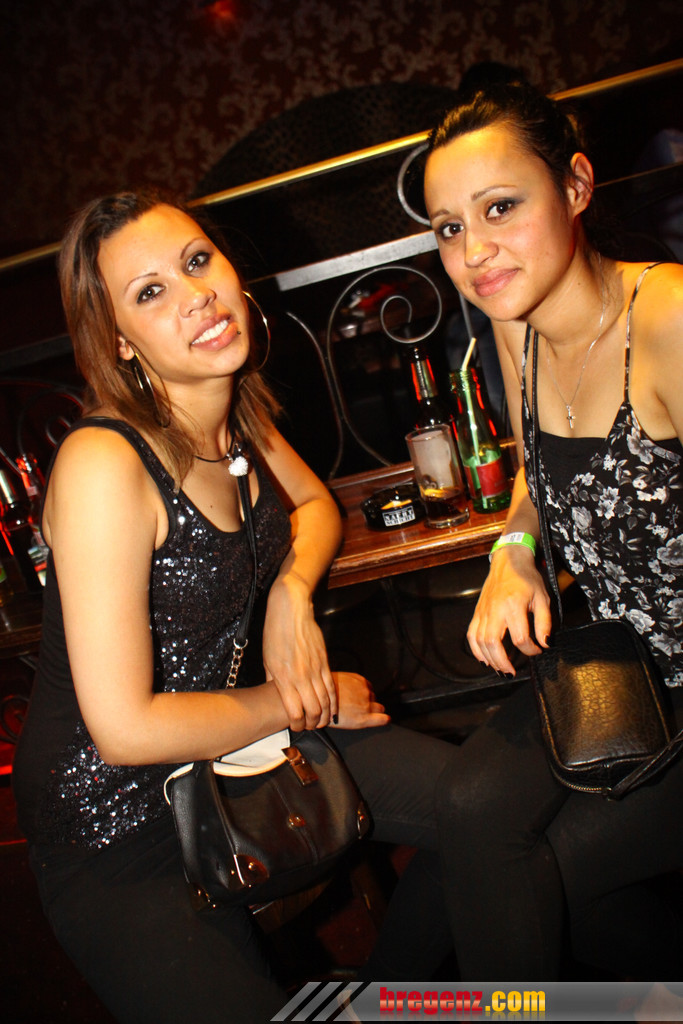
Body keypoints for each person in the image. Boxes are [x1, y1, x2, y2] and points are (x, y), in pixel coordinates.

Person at [11, 189, 457, 1023]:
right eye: (150, 292)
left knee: (489, 807)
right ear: (119, 340)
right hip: (115, 823)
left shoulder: (233, 413)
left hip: (233, 751)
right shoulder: (105, 462)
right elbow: (124, 730)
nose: (195, 296)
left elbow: (315, 505)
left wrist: (291, 593)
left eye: (196, 261)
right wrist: (304, 701)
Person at [424, 65, 683, 980]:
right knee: (466, 810)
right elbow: (535, 474)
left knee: (546, 873)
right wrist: (513, 549)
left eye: (499, 207)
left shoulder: (668, 321)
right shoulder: (516, 322)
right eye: (449, 228)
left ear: (575, 186)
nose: (475, 251)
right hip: (617, 668)